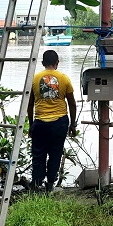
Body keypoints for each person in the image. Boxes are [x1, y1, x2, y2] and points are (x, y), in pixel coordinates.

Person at [27, 50, 76, 192]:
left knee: (38, 155)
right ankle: (49, 187)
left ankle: (36, 186)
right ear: (57, 63)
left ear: (42, 63)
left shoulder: (35, 79)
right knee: (55, 154)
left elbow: (30, 104)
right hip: (59, 122)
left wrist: (31, 125)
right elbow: (72, 103)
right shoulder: (64, 78)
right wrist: (72, 124)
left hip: (40, 122)